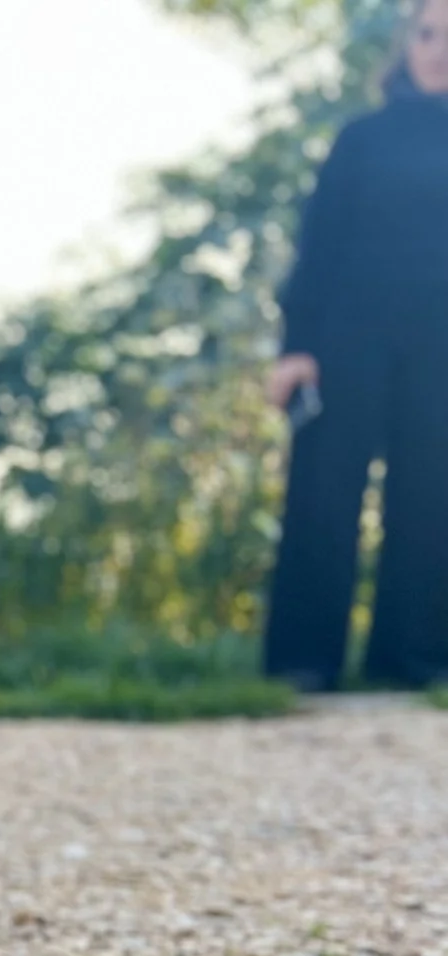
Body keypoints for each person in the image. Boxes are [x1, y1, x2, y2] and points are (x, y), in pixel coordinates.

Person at [261, 0, 448, 694]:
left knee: (433, 500)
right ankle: (303, 664)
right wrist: (296, 346)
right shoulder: (361, 140)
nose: (437, 50)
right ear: (407, 44)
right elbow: (318, 249)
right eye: (428, 34)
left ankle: (412, 663)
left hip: (441, 349)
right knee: (322, 498)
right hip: (347, 342)